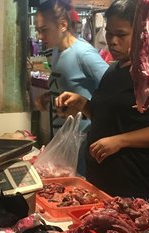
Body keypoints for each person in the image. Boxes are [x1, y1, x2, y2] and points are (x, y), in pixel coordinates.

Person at [55, 0, 149, 213]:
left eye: (121, 34)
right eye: (109, 33)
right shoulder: (113, 71)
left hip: (134, 187)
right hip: (100, 182)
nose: (112, 41)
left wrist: (121, 141)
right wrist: (82, 103)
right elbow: (108, 119)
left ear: (141, 33)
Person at [35, 0, 109, 176]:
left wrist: (84, 106)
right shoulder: (55, 52)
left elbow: (113, 90)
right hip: (63, 138)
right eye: (38, 30)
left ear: (62, 25)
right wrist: (48, 97)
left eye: (44, 30)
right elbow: (70, 86)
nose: (39, 36)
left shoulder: (83, 53)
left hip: (84, 142)